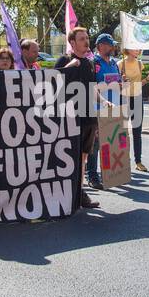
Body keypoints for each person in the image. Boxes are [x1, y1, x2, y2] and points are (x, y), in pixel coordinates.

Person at [55, 28, 101, 208]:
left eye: (87, 38)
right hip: (69, 117)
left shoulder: (90, 63)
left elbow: (92, 89)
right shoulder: (64, 60)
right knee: (68, 158)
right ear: (72, 42)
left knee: (82, 157)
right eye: (82, 38)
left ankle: (79, 193)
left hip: (88, 117)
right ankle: (65, 194)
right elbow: (52, 83)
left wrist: (104, 102)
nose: (86, 41)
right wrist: (68, 67)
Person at [85, 33, 121, 189]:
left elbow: (118, 82)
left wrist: (120, 83)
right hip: (97, 108)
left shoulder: (114, 63)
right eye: (108, 44)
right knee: (95, 143)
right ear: (100, 46)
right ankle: (92, 176)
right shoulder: (93, 63)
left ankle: (111, 174)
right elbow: (90, 86)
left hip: (114, 108)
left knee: (111, 143)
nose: (111, 47)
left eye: (112, 44)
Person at [119, 48, 149, 172]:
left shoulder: (140, 64)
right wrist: (121, 80)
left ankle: (138, 161)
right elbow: (116, 83)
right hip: (124, 99)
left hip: (137, 98)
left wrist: (148, 78)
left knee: (137, 131)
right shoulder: (120, 64)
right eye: (135, 48)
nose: (138, 50)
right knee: (122, 132)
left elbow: (139, 83)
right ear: (128, 49)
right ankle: (122, 161)